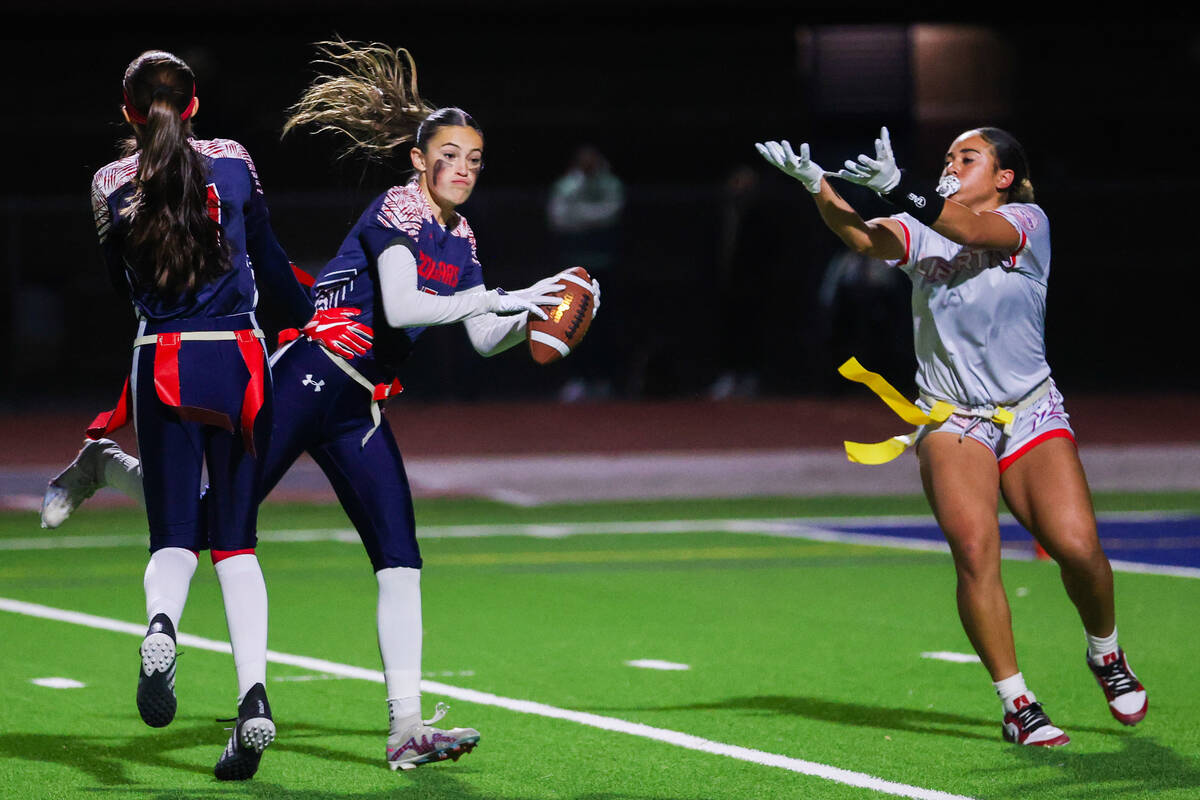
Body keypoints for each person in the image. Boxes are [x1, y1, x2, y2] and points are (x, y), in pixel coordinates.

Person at [45, 40, 596, 772]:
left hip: (358, 401)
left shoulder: (459, 237)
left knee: (399, 555)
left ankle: (404, 728)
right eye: (450, 155)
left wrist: (533, 312)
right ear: (418, 160)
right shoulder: (397, 207)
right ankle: (107, 468)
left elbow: (482, 333)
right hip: (309, 373)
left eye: (474, 159)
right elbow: (402, 309)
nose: (462, 170)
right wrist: (499, 296)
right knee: (215, 526)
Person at [755, 127, 1147, 746]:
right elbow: (861, 236)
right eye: (947, 157)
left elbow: (969, 230)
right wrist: (817, 186)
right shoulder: (922, 227)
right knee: (974, 551)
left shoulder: (1026, 221)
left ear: (1003, 177)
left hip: (1030, 409)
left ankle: (1106, 652)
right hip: (950, 415)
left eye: (969, 157)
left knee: (1078, 548)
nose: (952, 164)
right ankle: (1017, 702)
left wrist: (899, 188)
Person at [81, 50, 319, 780]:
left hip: (165, 356)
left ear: (128, 111)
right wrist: (309, 316)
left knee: (173, 534)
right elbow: (271, 264)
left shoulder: (109, 183)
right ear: (191, 106)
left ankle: (162, 625)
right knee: (238, 544)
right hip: (240, 360)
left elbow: (120, 284)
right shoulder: (235, 161)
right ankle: (253, 699)